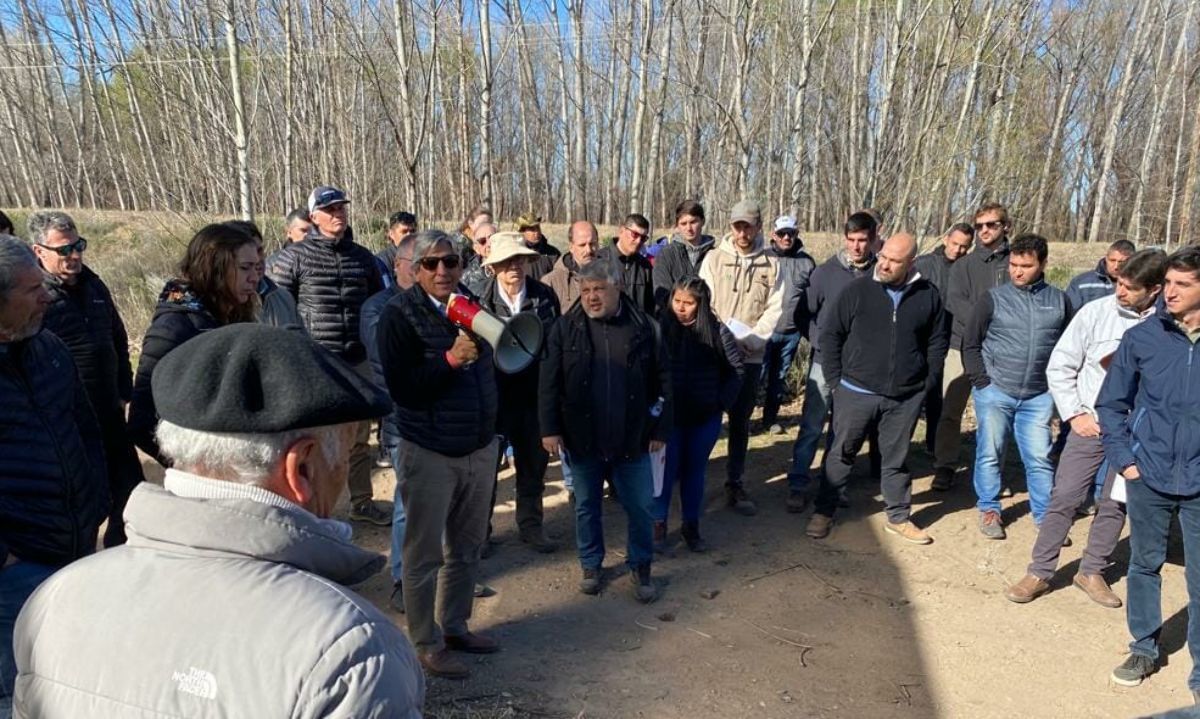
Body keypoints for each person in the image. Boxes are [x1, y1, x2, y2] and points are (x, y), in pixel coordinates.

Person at [13, 324, 425, 717]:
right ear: (301, 469)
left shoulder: (54, 599)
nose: (348, 468)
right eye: (352, 446)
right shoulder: (350, 653)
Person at [1005, 249, 1166, 607]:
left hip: (1136, 433)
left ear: (1154, 290)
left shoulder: (1166, 324)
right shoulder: (1095, 314)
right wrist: (1075, 414)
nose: (1120, 292)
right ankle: (1040, 571)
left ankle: (1092, 570)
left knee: (1115, 502)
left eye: (1129, 287)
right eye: (1118, 283)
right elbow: (1060, 366)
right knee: (1065, 496)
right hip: (1091, 425)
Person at [377, 230, 501, 680]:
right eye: (431, 264)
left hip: (478, 446)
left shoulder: (468, 303)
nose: (443, 270)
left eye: (451, 261)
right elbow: (402, 390)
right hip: (428, 450)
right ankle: (425, 642)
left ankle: (455, 627)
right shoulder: (398, 315)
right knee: (424, 554)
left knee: (467, 548)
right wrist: (449, 360)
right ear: (413, 269)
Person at [0, 235, 108, 716]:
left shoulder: (49, 348)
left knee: (76, 678)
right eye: (31, 290)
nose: (46, 296)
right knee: (16, 691)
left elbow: (85, 429)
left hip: (76, 548)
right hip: (14, 568)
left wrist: (96, 504)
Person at [1098, 246, 1200, 693]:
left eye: (1182, 284)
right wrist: (1126, 460)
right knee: (1144, 564)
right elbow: (1111, 403)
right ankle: (1143, 647)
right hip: (1149, 474)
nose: (1169, 292)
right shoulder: (1144, 337)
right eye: (1168, 283)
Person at [540, 261, 672, 603]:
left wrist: (660, 427)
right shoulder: (564, 328)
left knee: (641, 507)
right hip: (583, 438)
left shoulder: (646, 327)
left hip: (633, 437)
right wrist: (550, 428)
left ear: (618, 288)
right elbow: (548, 382)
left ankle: (641, 565)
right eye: (585, 290)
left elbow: (665, 381)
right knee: (586, 506)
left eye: (599, 289)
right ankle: (591, 564)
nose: (592, 297)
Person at [805, 234, 947, 544]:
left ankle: (898, 516)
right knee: (841, 453)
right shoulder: (857, 290)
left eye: (894, 261)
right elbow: (830, 336)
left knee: (895, 459)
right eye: (883, 256)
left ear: (911, 263)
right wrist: (835, 383)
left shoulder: (928, 295)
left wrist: (928, 382)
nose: (884, 264)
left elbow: (937, 341)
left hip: (905, 396)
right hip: (855, 391)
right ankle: (824, 511)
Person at [270, 185, 390, 526]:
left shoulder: (364, 258)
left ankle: (362, 502)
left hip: (357, 357)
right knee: (314, 439)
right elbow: (277, 309)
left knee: (359, 436)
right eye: (330, 209)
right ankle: (312, 510)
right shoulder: (292, 258)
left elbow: (379, 304)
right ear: (314, 217)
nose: (338, 214)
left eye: (341, 208)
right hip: (316, 360)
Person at [30, 211, 143, 548]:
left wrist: (125, 388)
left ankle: (116, 553)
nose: (74, 255)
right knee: (84, 499)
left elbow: (117, 336)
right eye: (64, 250)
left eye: (78, 245)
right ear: (39, 252)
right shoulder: (33, 296)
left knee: (132, 488)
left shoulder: (94, 285)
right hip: (67, 420)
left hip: (108, 410)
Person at [962, 234, 1068, 540]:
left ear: (1043, 264)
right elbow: (971, 344)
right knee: (990, 452)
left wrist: (1054, 388)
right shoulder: (993, 299)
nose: (1017, 271)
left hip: (1038, 395)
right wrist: (982, 383)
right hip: (996, 391)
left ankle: (1045, 516)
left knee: (1038, 457)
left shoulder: (1060, 301)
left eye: (1026, 265)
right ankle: (989, 508)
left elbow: (1068, 347)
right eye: (1013, 264)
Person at [129, 223, 260, 466]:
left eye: (256, 267)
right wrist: (193, 469)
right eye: (245, 268)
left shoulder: (233, 315)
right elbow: (142, 421)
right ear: (214, 269)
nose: (255, 278)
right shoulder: (172, 329)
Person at [784, 212, 879, 513]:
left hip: (859, 369)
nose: (856, 247)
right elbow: (802, 314)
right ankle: (798, 483)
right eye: (851, 240)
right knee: (812, 425)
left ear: (874, 239)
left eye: (863, 240)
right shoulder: (826, 273)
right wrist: (819, 339)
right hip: (825, 362)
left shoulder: (880, 273)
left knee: (843, 429)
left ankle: (833, 485)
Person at [698, 200, 784, 516]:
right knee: (707, 418)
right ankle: (696, 483)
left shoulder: (772, 264)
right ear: (730, 226)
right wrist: (721, 339)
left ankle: (735, 482)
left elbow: (775, 308)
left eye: (748, 225)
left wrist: (751, 339)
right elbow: (703, 303)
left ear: (758, 226)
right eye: (737, 225)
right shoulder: (713, 259)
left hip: (750, 355)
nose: (742, 232)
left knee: (740, 421)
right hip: (716, 355)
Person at [479, 233, 562, 552]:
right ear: (494, 266)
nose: (513, 267)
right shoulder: (480, 299)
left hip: (533, 396)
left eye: (518, 260)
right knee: (487, 472)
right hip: (494, 399)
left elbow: (554, 348)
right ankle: (480, 534)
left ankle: (531, 526)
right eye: (506, 262)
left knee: (533, 466)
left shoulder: (544, 296)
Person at [655, 278, 742, 552]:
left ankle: (690, 526)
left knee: (694, 472)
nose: (681, 308)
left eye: (689, 303)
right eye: (677, 301)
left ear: (701, 305)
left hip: (704, 418)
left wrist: (720, 403)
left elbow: (736, 371)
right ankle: (657, 524)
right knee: (663, 474)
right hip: (668, 420)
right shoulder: (658, 330)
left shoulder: (717, 332)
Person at [933, 202, 1012, 491]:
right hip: (962, 345)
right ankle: (945, 465)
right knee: (950, 410)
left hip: (1003, 351)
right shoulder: (965, 264)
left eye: (991, 225)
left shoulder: (1015, 262)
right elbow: (956, 302)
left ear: (1005, 227)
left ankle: (992, 473)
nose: (984, 231)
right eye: (980, 226)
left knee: (995, 415)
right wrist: (988, 326)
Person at [360, 232, 418, 613]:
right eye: (419, 263)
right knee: (407, 501)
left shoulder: (447, 301)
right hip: (401, 417)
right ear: (397, 265)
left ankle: (440, 575)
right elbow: (386, 357)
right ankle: (401, 579)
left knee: (443, 502)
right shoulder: (378, 307)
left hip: (438, 416)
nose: (430, 270)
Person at [913, 223, 974, 452]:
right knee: (917, 394)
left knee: (940, 398)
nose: (958, 250)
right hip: (923, 340)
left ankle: (934, 445)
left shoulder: (967, 269)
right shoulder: (924, 265)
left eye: (964, 247)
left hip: (953, 342)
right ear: (946, 239)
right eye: (955, 243)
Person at [760, 214, 816, 434]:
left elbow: (814, 298)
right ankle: (742, 421)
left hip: (792, 333)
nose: (786, 237)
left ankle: (769, 419)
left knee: (779, 377)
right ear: (773, 234)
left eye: (790, 233)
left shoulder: (807, 262)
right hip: (764, 331)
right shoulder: (763, 258)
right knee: (757, 376)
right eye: (781, 233)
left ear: (796, 234)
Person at [222, 219, 303, 329]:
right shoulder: (218, 306)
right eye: (247, 256)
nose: (257, 259)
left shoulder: (283, 299)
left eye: (259, 250)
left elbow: (302, 342)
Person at [651, 200, 716, 308]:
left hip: (706, 319)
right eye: (683, 223)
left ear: (703, 221)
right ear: (677, 226)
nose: (689, 228)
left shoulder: (714, 255)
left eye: (693, 222)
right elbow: (662, 293)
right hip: (673, 317)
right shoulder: (666, 254)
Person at [596, 214, 656, 315]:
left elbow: (650, 306)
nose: (638, 241)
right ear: (622, 231)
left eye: (643, 238)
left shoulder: (645, 266)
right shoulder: (599, 261)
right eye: (635, 234)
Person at [1065, 239, 1135, 313]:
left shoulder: (1140, 285)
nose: (1116, 266)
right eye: (1112, 260)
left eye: (1121, 262)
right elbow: (1069, 314)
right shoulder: (1082, 283)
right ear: (1106, 258)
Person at [543, 220, 598, 309]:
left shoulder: (611, 275)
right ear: (571, 247)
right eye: (582, 245)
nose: (589, 250)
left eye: (592, 244)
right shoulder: (551, 282)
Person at [514, 212, 559, 281]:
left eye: (538, 228)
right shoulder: (516, 253)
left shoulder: (552, 253)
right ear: (522, 232)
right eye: (532, 229)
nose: (537, 232)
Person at [265, 207, 311, 275]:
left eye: (312, 231)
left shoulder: (322, 260)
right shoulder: (274, 263)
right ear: (288, 232)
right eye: (303, 230)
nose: (308, 235)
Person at [378, 211, 418, 288]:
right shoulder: (382, 261)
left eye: (412, 231)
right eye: (404, 232)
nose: (409, 235)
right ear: (391, 234)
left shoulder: (422, 257)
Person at [462, 222, 496, 295]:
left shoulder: (514, 266)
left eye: (492, 238)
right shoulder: (466, 277)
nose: (489, 244)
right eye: (482, 241)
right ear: (476, 248)